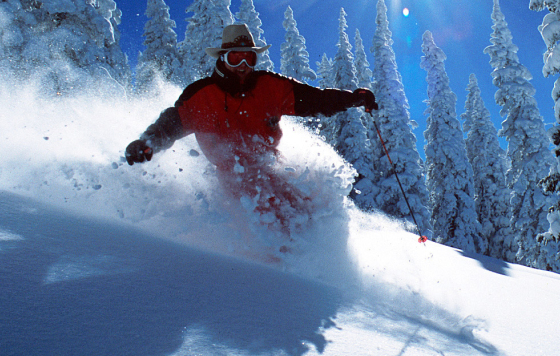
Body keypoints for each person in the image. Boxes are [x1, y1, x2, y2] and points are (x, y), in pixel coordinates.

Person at [125, 23, 377, 215]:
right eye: (236, 57)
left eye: (250, 57)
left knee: (306, 211)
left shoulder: (270, 87)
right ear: (222, 57)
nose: (244, 64)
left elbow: (316, 100)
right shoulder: (203, 95)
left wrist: (352, 99)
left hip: (271, 166)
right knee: (266, 213)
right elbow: (170, 125)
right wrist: (147, 142)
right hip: (232, 177)